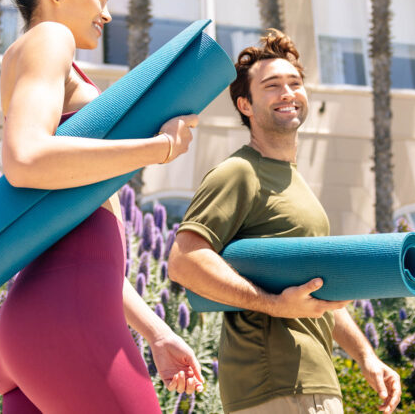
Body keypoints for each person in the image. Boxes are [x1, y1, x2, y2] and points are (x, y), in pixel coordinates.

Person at [0, 0, 204, 413]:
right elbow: (24, 160)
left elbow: (79, 239)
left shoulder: (32, 56)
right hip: (69, 315)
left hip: (35, 323)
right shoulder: (49, 39)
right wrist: (157, 148)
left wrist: (158, 332)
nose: (107, 13)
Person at [168, 30, 401, 414]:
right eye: (272, 86)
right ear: (245, 105)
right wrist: (274, 305)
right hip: (274, 386)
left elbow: (317, 291)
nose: (288, 93)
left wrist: (365, 356)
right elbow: (184, 260)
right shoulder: (239, 172)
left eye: (295, 83)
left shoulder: (296, 184)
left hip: (313, 383)